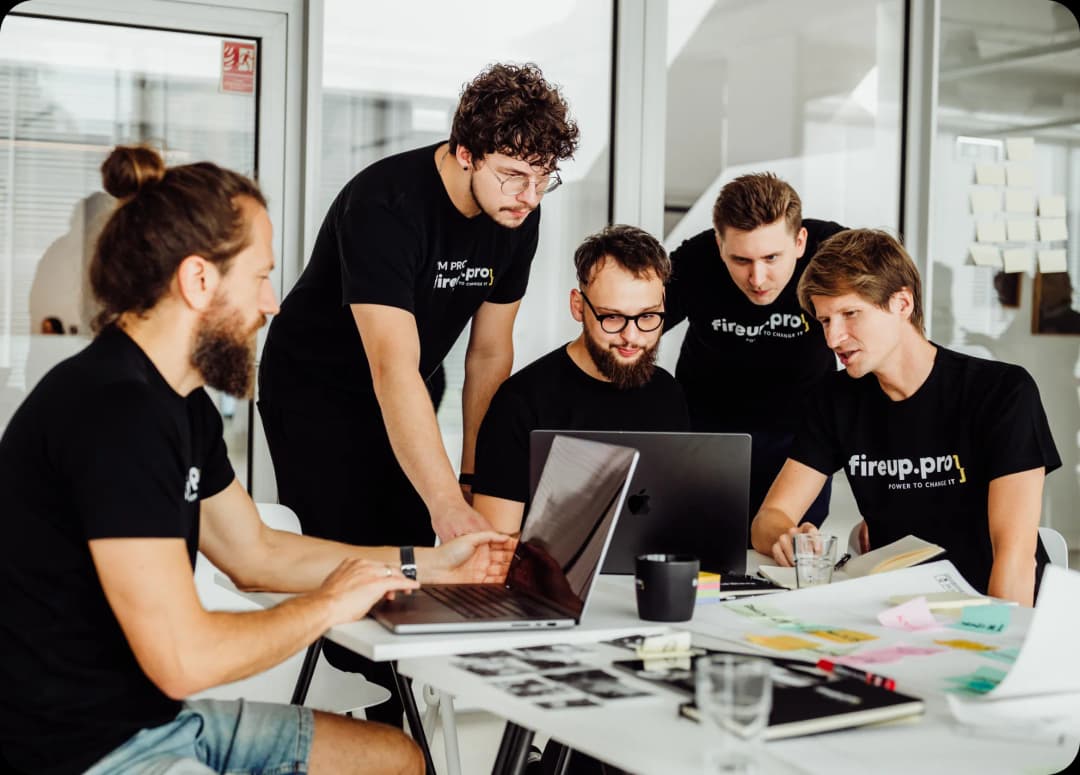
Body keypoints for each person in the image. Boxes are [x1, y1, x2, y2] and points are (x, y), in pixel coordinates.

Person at [0, 145, 514, 775]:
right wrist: (329, 605)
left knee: (394, 758)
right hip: (76, 750)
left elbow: (256, 555)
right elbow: (183, 658)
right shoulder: (114, 413)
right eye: (261, 278)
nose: (273, 305)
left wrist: (431, 565)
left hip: (155, 720)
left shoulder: (181, 406)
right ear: (198, 281)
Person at [257, 62, 578, 719]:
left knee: (436, 568)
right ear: (464, 152)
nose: (528, 196)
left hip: (409, 386)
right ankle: (384, 718)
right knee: (371, 576)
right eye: (512, 175)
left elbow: (489, 352)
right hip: (318, 391)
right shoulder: (385, 204)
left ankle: (403, 720)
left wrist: (471, 474)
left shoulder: (519, 215)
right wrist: (445, 505)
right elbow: (390, 365)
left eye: (543, 177)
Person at [750, 229, 1060, 606]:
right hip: (898, 610)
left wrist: (996, 648)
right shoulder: (834, 399)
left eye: (850, 314)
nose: (833, 339)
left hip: (994, 608)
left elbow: (1015, 556)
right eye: (825, 321)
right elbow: (769, 518)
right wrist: (787, 536)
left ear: (902, 304)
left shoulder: (1001, 392)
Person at [472, 224, 689, 533]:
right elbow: (495, 541)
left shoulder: (668, 393)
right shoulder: (521, 402)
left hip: (650, 577)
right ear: (578, 305)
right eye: (612, 317)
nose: (632, 336)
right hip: (549, 580)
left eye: (647, 317)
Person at [665, 173, 845, 531]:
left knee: (788, 553)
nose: (758, 278)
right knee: (705, 542)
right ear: (719, 245)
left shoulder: (835, 253)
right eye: (741, 260)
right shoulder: (695, 261)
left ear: (800, 241)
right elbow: (633, 326)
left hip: (800, 437)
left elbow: (885, 336)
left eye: (772, 257)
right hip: (709, 431)